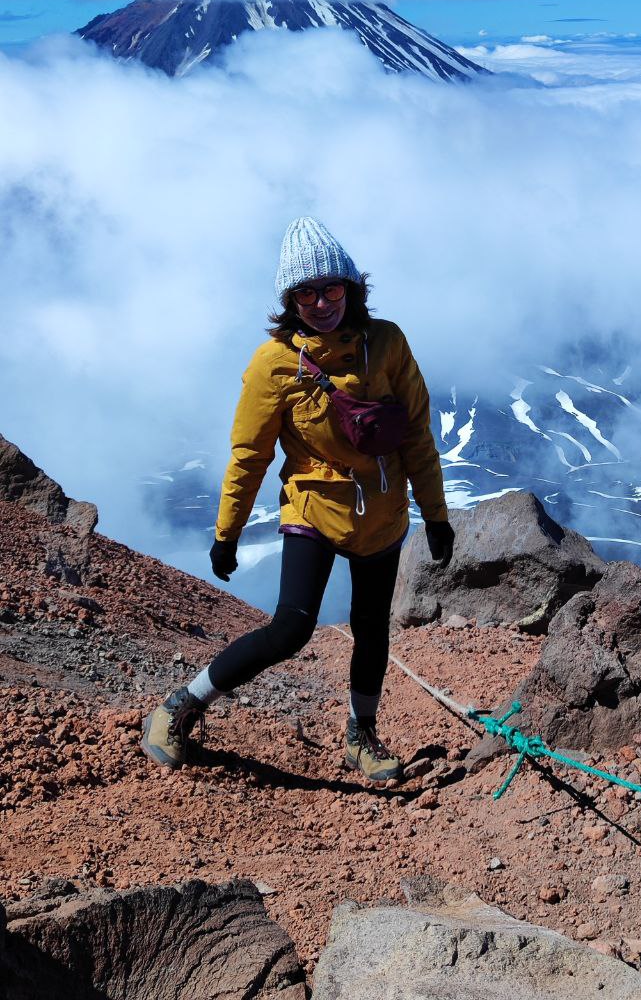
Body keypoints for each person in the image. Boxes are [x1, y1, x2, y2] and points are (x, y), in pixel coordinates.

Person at [141, 217, 455, 781]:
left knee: (371, 628)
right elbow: (249, 453)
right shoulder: (275, 363)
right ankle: (179, 707)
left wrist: (436, 515)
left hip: (382, 511)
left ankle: (362, 737)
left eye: (331, 289)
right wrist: (227, 532)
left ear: (351, 288)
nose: (320, 303)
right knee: (290, 628)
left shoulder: (386, 343)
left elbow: (415, 434)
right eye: (304, 293)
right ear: (290, 300)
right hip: (312, 503)